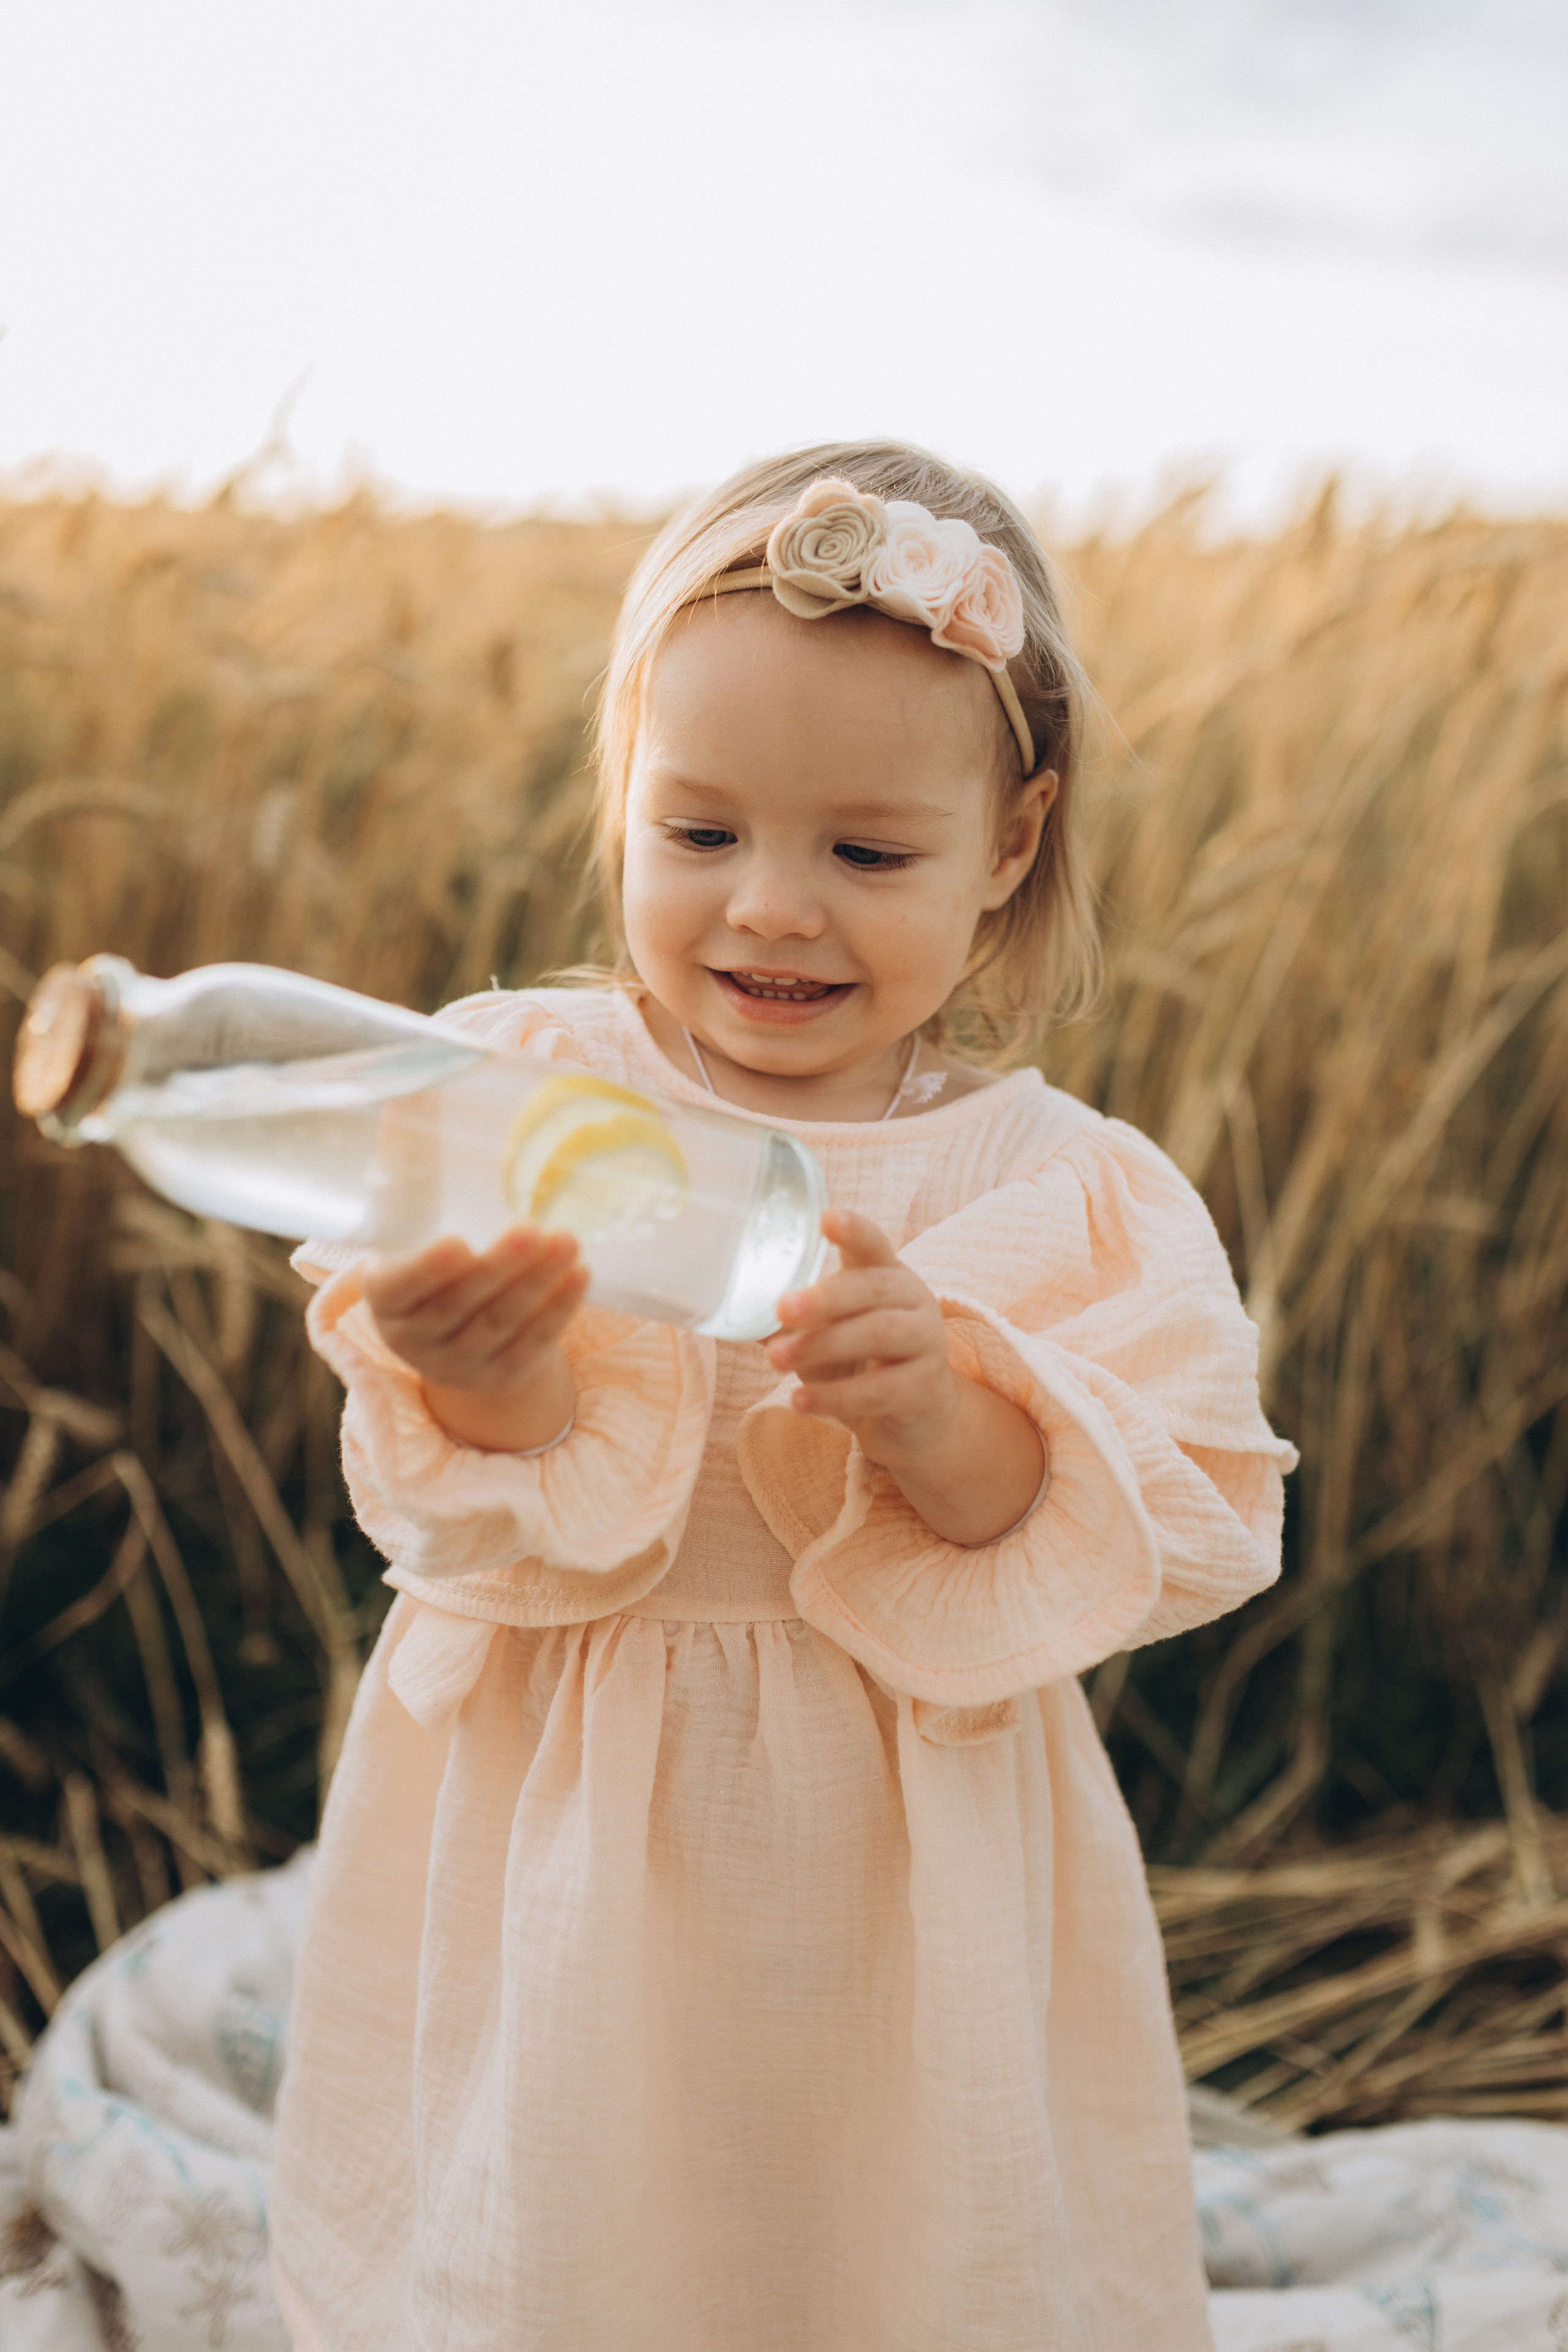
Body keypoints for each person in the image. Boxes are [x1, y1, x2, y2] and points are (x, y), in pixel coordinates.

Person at [270, 442, 1296, 2352]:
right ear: (625, 807)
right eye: (702, 832)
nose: (773, 911)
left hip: (903, 1847)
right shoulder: (525, 1098)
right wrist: (486, 1382)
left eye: (869, 851)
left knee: (886, 2221)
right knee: (581, 2211)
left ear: (1009, 843)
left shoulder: (1050, 1189)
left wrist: (943, 1417)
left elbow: (1111, 1530)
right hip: (568, 1808)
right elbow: (478, 1509)